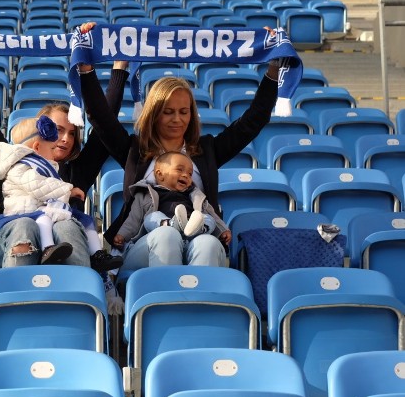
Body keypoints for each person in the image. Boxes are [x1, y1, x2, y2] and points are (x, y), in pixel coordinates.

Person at [76, 21, 282, 270]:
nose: (177, 119)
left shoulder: (207, 150)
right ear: (154, 114)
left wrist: (273, 68)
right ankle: (163, 305)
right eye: (168, 112)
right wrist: (87, 68)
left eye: (184, 112)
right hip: (145, 244)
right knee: (167, 235)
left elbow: (253, 121)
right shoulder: (135, 150)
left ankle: (197, 305)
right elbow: (101, 117)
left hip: (199, 240)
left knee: (207, 243)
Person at [0, 53, 127, 271]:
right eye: (57, 131)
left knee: (67, 225)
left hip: (64, 247)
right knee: (24, 225)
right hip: (12, 242)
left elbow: (105, 120)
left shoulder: (79, 170)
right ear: (39, 134)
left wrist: (120, 66)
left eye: (71, 133)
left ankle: (77, 299)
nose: (66, 139)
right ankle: (13, 300)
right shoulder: (13, 159)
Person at [0, 115, 124, 269]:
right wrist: (68, 190)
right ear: (37, 148)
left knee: (83, 220)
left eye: (72, 133)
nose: (63, 140)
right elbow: (38, 185)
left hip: (42, 209)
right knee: (35, 223)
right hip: (24, 212)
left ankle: (97, 254)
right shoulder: (20, 167)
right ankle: (48, 248)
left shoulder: (52, 167)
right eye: (52, 147)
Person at [114, 151, 231, 261]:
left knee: (206, 217)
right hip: (161, 232)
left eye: (190, 174)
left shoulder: (195, 196)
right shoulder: (145, 195)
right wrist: (122, 234)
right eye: (179, 170)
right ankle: (171, 224)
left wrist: (222, 230)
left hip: (192, 235)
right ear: (160, 175)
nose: (186, 175)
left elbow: (212, 214)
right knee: (152, 217)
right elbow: (133, 219)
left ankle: (198, 228)